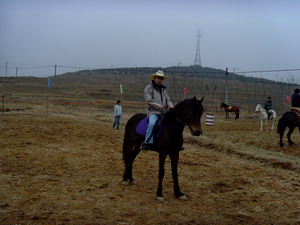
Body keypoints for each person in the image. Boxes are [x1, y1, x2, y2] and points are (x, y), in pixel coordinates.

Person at [140, 70, 173, 150]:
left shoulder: (163, 89)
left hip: (164, 112)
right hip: (153, 112)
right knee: (152, 124)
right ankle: (146, 143)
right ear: (154, 78)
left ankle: (173, 143)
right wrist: (159, 106)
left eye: (161, 78)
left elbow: (167, 99)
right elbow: (149, 100)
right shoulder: (148, 88)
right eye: (158, 78)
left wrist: (170, 105)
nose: (160, 80)